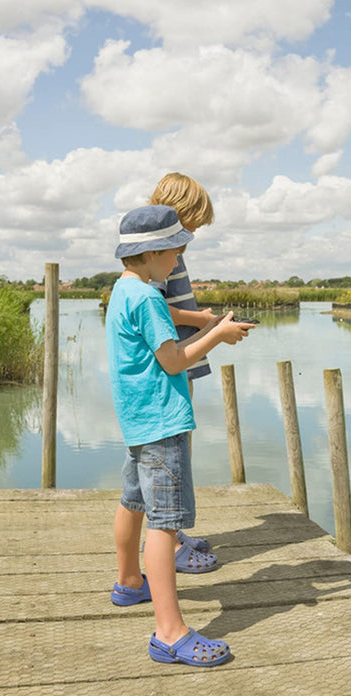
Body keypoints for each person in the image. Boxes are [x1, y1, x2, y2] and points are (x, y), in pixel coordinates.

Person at [106, 203, 253, 666]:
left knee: (133, 501)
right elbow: (172, 362)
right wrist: (219, 336)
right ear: (151, 254)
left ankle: (129, 582)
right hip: (164, 422)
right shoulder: (149, 298)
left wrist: (204, 322)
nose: (178, 261)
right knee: (165, 526)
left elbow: (158, 336)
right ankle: (170, 632)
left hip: (137, 419)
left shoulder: (124, 290)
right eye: (174, 251)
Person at [149, 172, 218, 561]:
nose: (193, 234)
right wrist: (199, 320)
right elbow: (154, 306)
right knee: (172, 453)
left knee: (179, 446)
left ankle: (172, 533)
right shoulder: (159, 254)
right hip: (171, 361)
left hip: (180, 360)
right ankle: (170, 542)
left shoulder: (166, 252)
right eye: (192, 224)